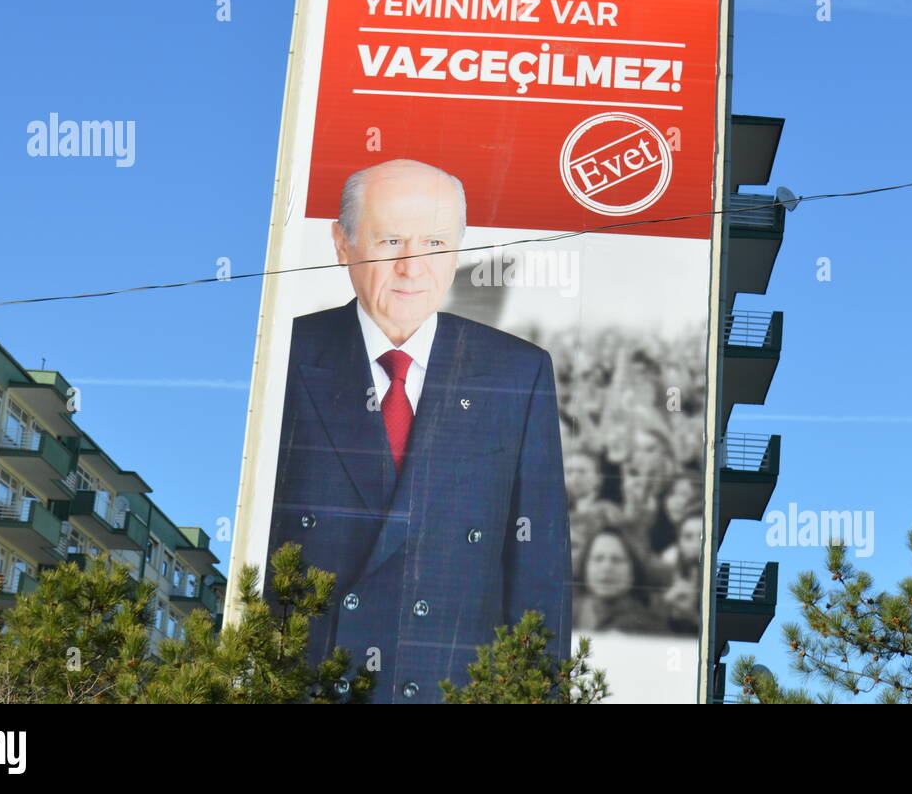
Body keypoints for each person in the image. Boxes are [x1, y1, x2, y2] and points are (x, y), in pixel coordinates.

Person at [267, 159, 571, 704]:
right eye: (390, 241)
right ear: (342, 243)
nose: (413, 267)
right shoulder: (286, 352)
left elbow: (538, 577)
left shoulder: (517, 372)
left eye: (434, 243)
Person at [572, 527, 665, 634]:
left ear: (633, 571)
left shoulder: (649, 625)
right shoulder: (567, 613)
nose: (606, 567)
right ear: (585, 566)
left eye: (617, 560)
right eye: (598, 558)